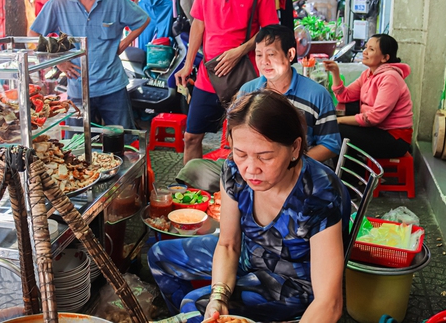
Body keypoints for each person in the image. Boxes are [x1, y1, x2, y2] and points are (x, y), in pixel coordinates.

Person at [148, 90, 348, 323]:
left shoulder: (319, 193)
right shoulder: (234, 170)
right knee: (159, 255)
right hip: (247, 253)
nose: (251, 169)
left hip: (292, 282)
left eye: (265, 156)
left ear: (294, 148)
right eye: (241, 153)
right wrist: (219, 295)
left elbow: (329, 303)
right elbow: (229, 243)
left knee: (195, 304)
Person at [175, 24, 342, 193]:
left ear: (290, 54)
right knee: (194, 169)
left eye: (271, 55)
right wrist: (242, 159)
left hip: (293, 173)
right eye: (259, 55)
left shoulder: (317, 94)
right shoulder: (248, 90)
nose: (264, 62)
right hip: (248, 169)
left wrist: (290, 164)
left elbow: (330, 145)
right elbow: (232, 135)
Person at [174, 0, 279, 165]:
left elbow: (269, 31)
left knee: (241, 142)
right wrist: (188, 64)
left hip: (244, 77)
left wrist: (240, 51)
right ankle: (193, 195)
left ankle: (235, 194)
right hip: (208, 74)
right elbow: (199, 22)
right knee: (191, 136)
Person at [29, 0, 150, 130]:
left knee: (122, 140)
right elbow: (33, 35)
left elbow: (143, 20)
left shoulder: (115, 0)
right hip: (78, 88)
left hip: (113, 86)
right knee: (77, 145)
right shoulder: (58, 3)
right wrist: (58, 62)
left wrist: (124, 44)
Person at [323, 33, 413, 158]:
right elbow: (344, 96)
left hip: (394, 138)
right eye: (366, 47)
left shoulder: (390, 78)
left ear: (385, 57)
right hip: (377, 129)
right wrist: (335, 72)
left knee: (338, 130)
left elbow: (374, 118)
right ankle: (351, 173)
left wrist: (339, 121)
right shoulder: (368, 74)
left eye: (371, 49)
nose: (365, 52)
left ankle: (349, 176)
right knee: (344, 115)